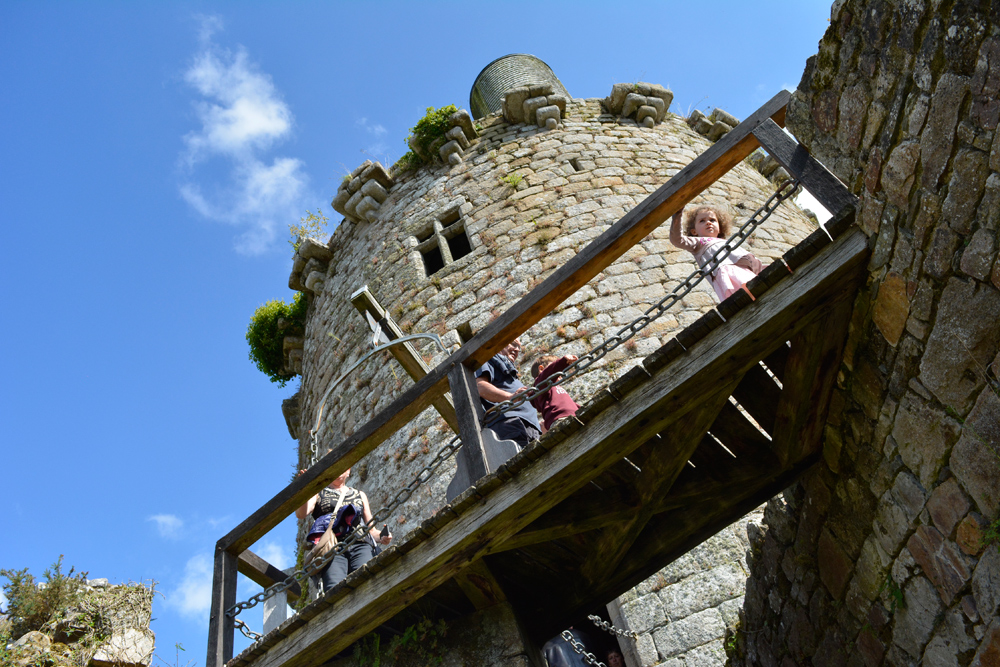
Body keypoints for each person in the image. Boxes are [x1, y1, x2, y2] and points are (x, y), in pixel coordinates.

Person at [295, 468, 392, 593]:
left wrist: (383, 537)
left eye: (342, 467)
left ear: (348, 471)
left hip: (361, 544)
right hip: (332, 548)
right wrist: (304, 489)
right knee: (335, 589)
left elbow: (371, 530)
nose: (338, 471)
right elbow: (301, 514)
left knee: (367, 582)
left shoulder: (359, 494)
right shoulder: (319, 494)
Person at [669, 204, 763, 302]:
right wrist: (678, 214)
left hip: (744, 270)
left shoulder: (727, 242)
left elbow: (747, 259)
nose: (708, 223)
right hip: (726, 273)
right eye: (702, 221)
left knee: (758, 288)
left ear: (720, 227)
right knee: (742, 296)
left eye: (712, 220)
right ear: (694, 232)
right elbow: (677, 240)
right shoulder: (699, 242)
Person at [475, 338, 541, 448]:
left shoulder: (511, 374)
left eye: (519, 348)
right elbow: (480, 386)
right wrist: (510, 397)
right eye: (513, 344)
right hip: (511, 423)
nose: (517, 350)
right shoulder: (489, 360)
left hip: (531, 428)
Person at [529, 354, 580, 433]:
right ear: (541, 369)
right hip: (559, 419)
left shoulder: (556, 388)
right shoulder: (540, 385)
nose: (561, 372)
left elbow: (570, 404)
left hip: (575, 416)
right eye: (554, 365)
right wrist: (562, 362)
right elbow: (548, 374)